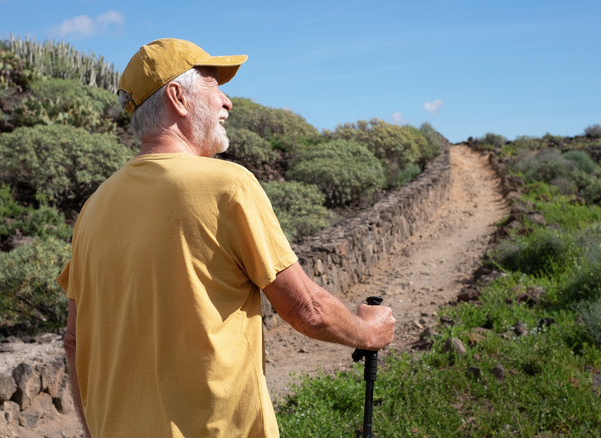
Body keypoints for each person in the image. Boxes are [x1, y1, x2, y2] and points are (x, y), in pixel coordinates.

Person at [57, 38, 395, 438]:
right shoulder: (227, 185)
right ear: (178, 97)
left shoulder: (93, 209)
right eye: (214, 84)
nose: (227, 101)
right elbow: (305, 309)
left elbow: (74, 343)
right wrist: (369, 332)